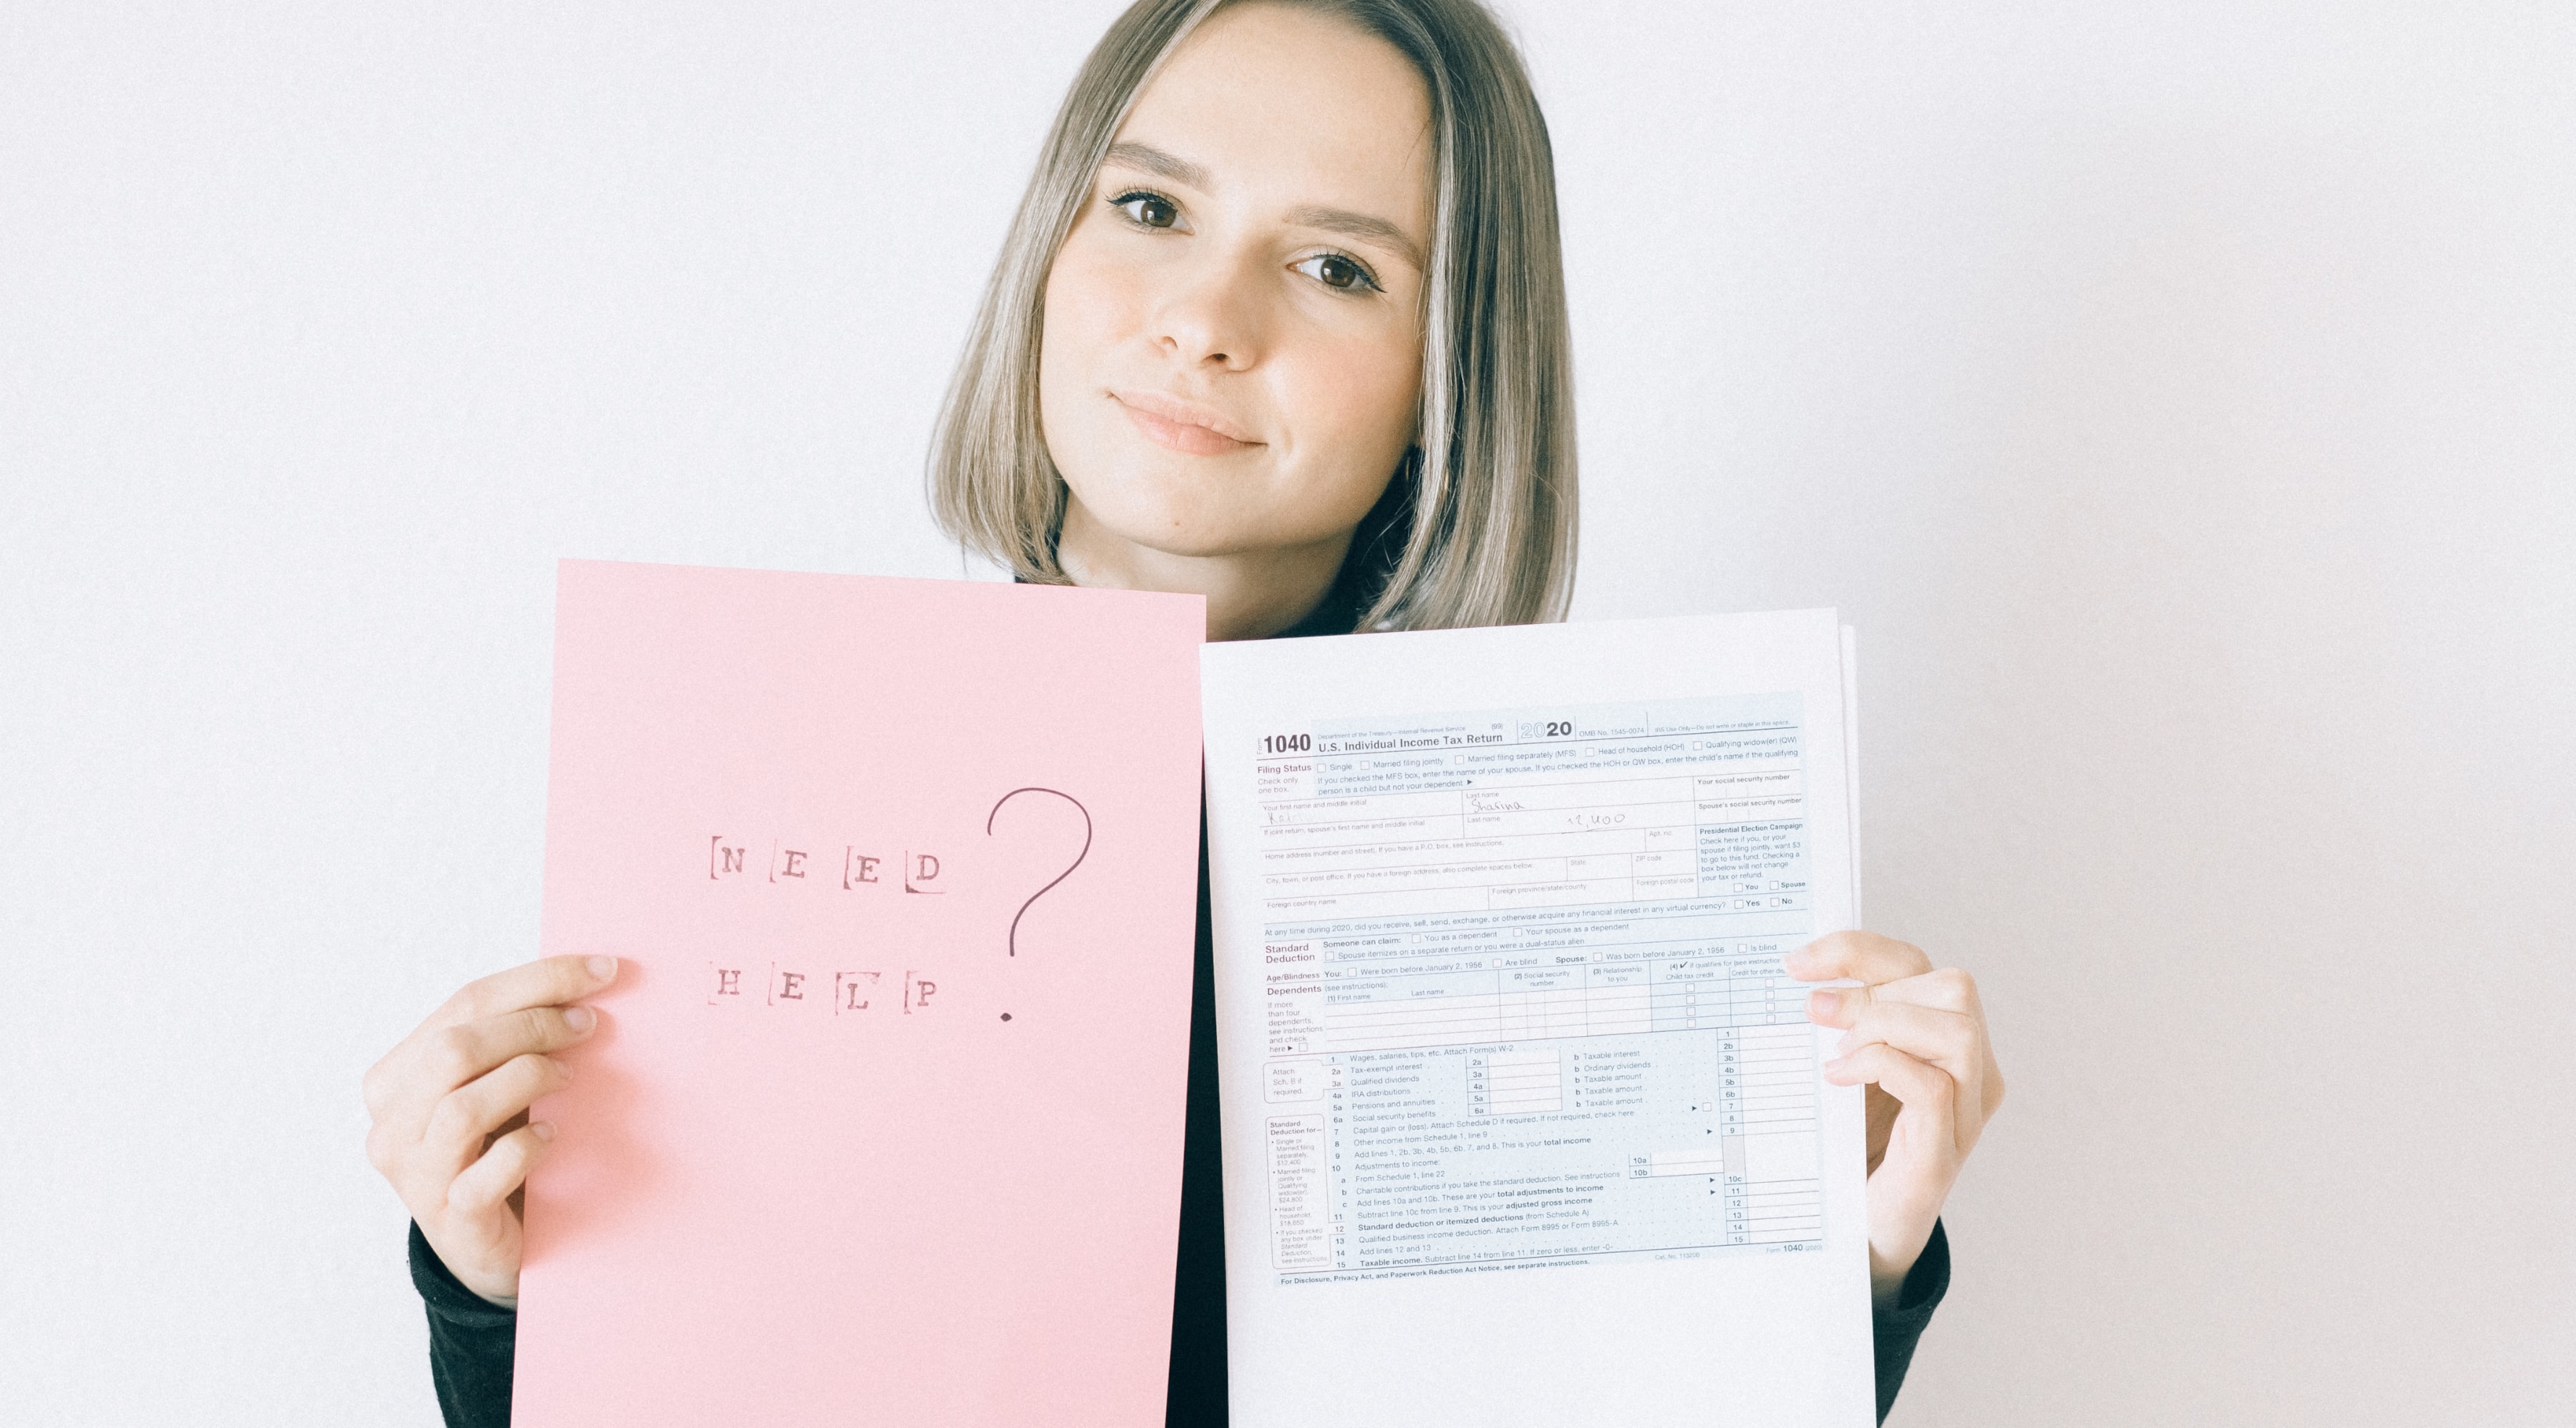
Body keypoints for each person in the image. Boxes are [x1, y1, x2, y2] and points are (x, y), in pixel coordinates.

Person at [359, 1, 2006, 1423]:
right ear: (1052, 256)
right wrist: (506, 1290)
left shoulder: (1591, 881)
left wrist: (1829, 1269)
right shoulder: (775, 801)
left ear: (1451, 372)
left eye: (1338, 265)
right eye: (1150, 206)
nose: (1209, 319)